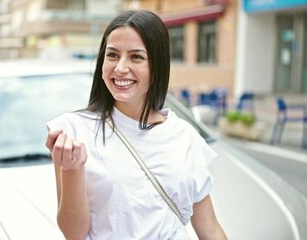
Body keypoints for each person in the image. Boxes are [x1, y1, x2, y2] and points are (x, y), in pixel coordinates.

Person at [45, 9, 227, 240]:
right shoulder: (73, 131)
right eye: (112, 55)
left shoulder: (183, 135)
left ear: (157, 66)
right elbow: (74, 233)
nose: (120, 67)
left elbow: (209, 227)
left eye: (136, 57)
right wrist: (72, 168)